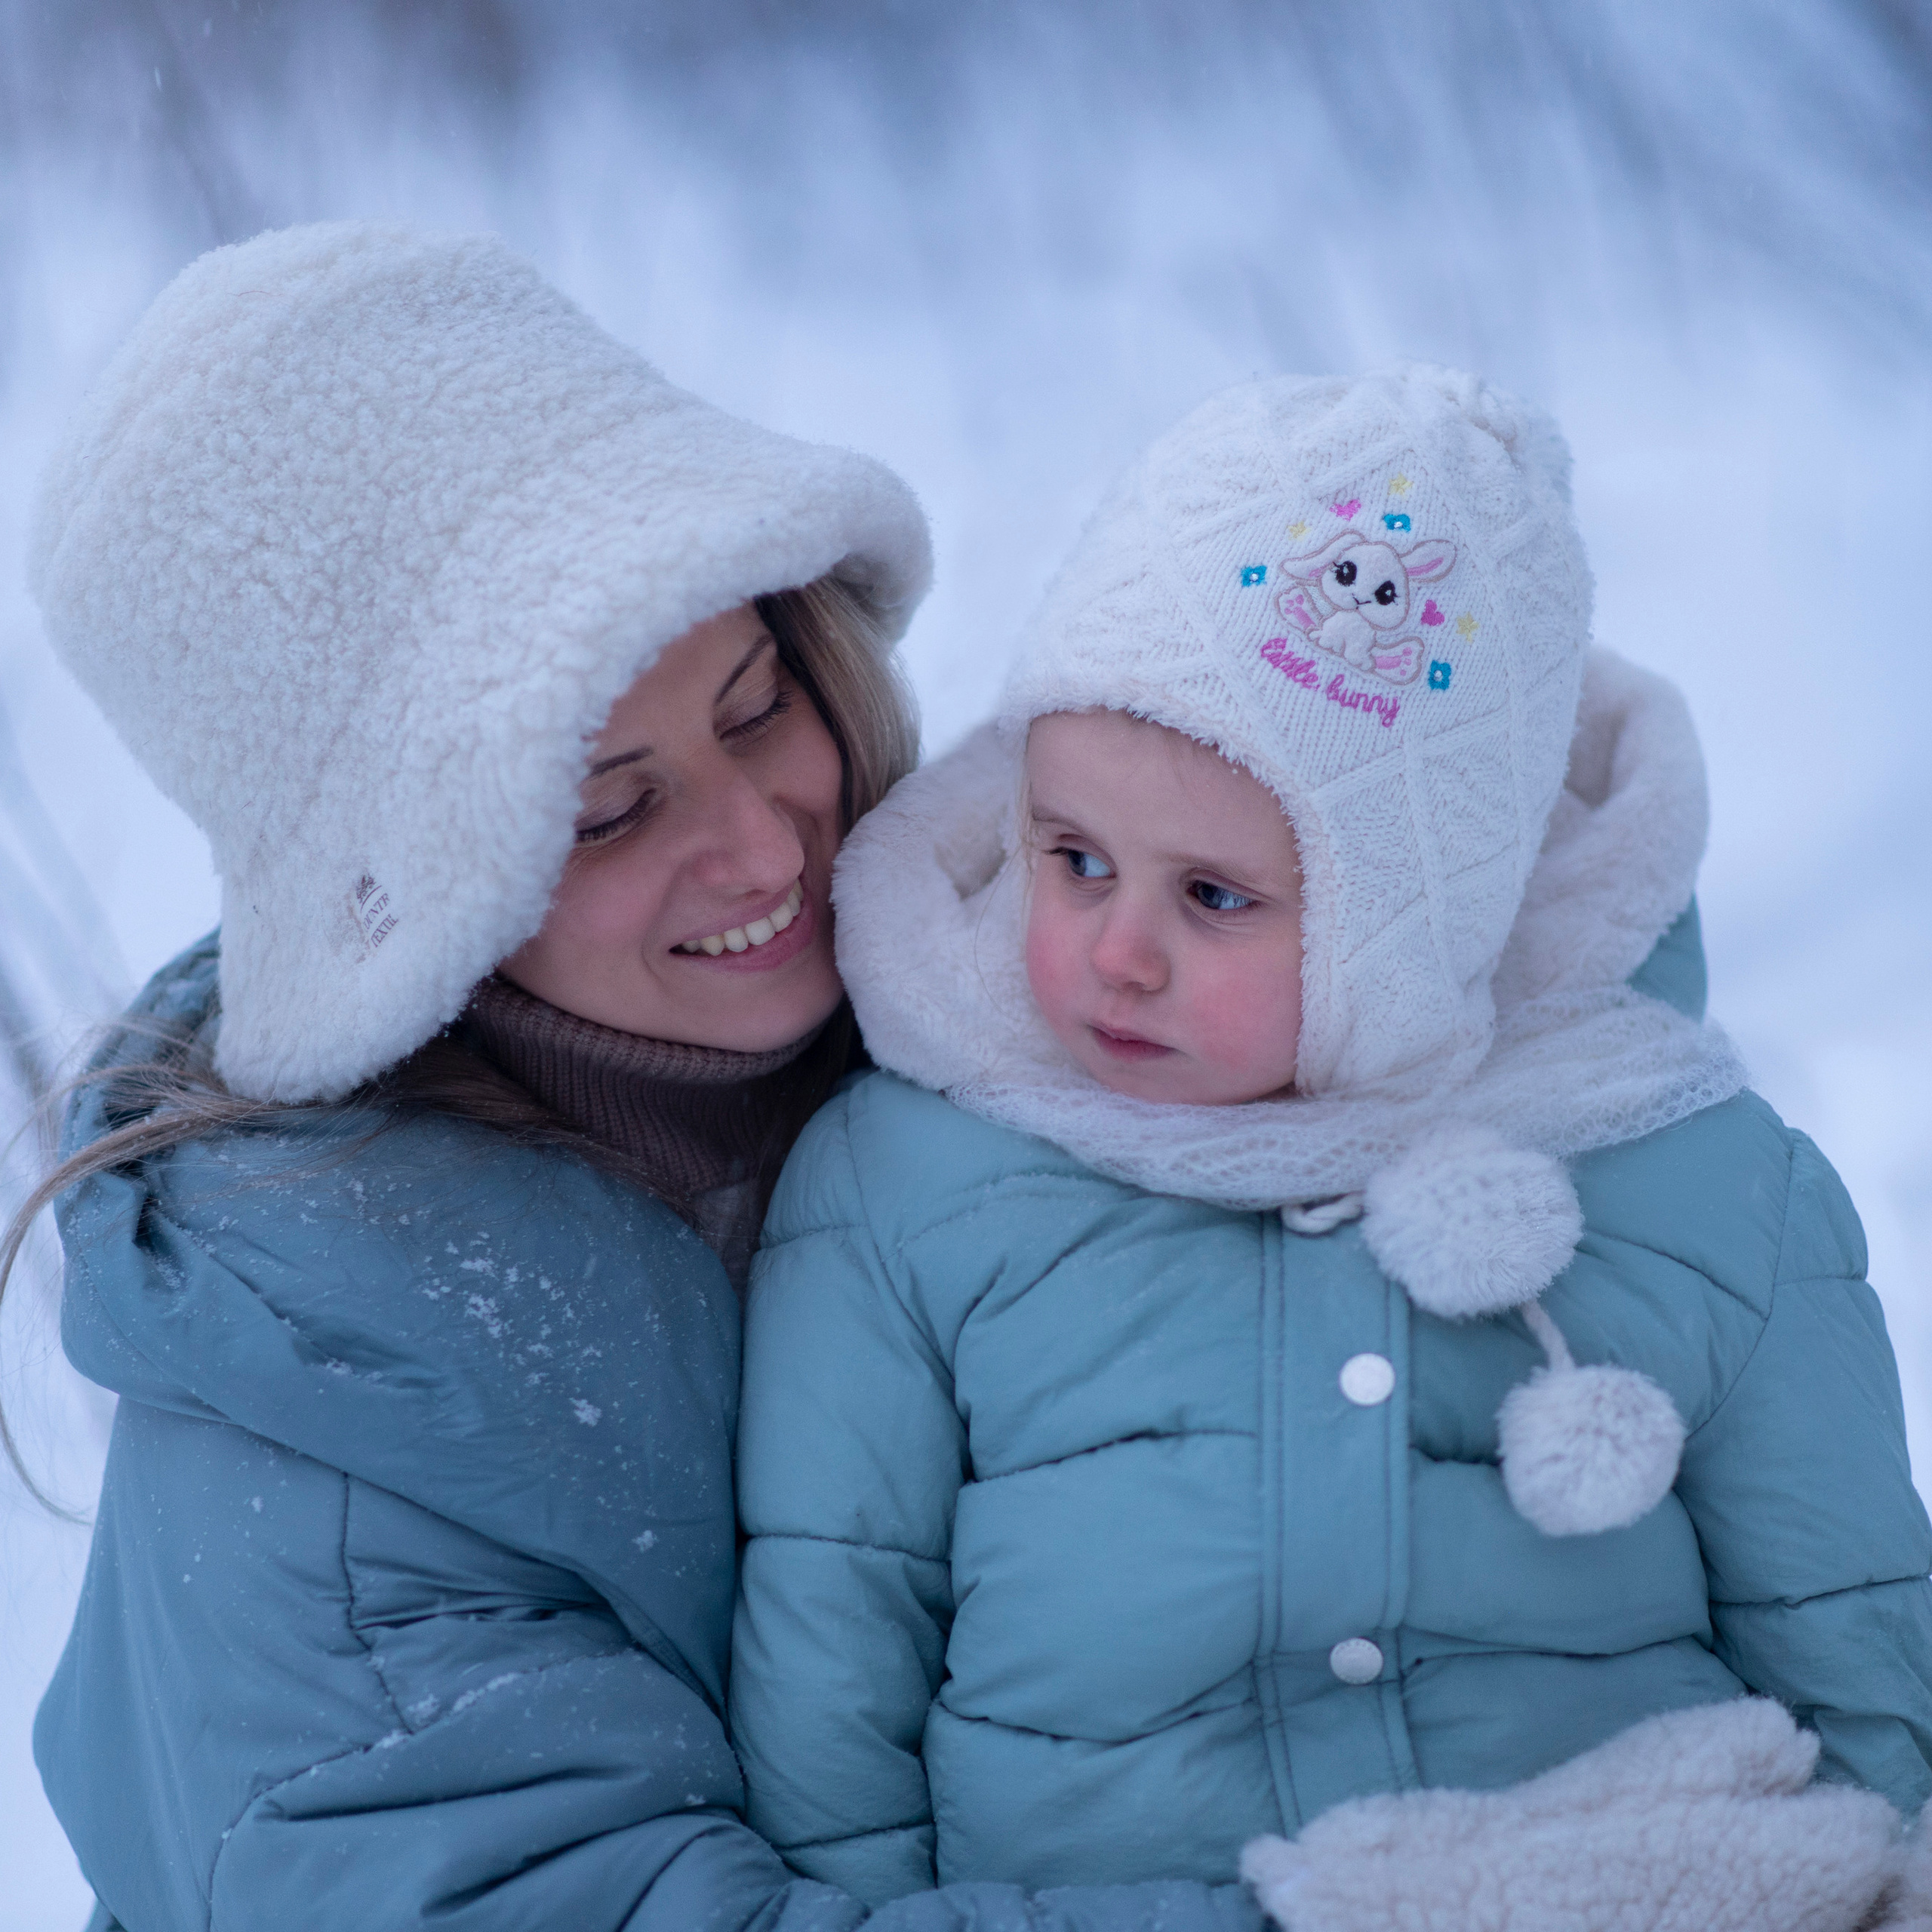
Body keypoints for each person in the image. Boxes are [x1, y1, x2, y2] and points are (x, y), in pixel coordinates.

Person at [10, 222, 1263, 1931]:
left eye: (756, 710)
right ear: (404, 907)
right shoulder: (341, 1455)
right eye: (605, 810)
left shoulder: (996, 1002)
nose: (763, 846)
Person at [730, 367, 1932, 1927]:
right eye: (1073, 858)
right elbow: (834, 1635)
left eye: (1213, 896)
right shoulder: (906, 1185)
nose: (1116, 954)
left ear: (1413, 921)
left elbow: (1852, 1630)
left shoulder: (1693, 1180)